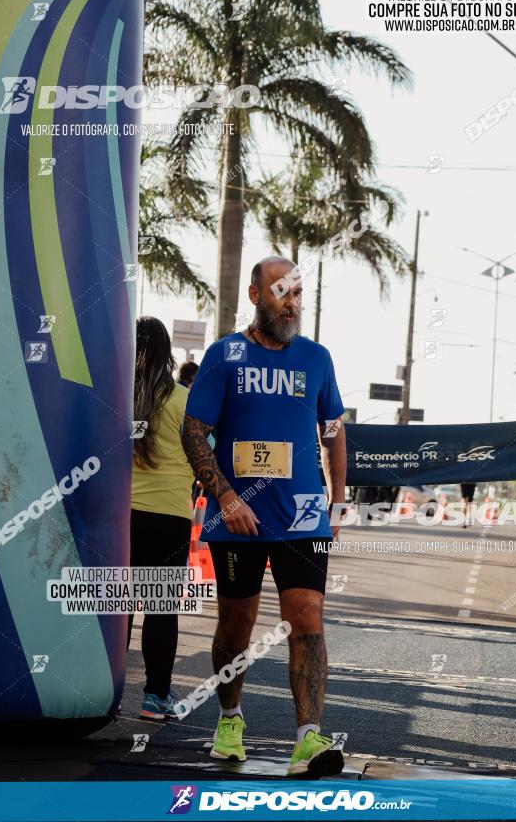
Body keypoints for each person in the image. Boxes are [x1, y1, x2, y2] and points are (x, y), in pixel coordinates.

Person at [184, 256, 346, 778]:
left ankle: (308, 740)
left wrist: (338, 499)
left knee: (308, 621)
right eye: (282, 292)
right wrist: (227, 499)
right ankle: (230, 719)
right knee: (236, 625)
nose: (293, 302)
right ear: (255, 296)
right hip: (239, 519)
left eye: (299, 292)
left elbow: (334, 431)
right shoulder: (224, 355)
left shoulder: (317, 359)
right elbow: (193, 430)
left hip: (302, 517)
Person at [129, 317, 194, 719]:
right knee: (161, 607)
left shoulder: (119, 395)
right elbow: (205, 447)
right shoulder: (181, 398)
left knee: (118, 606)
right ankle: (155, 697)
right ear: (167, 351)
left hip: (122, 514)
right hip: (170, 513)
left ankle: (106, 689)